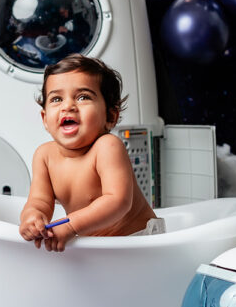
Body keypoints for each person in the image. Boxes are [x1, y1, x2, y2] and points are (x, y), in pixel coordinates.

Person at [19, 54, 164, 252]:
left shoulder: (107, 147)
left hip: (138, 241)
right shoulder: (44, 156)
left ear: (111, 116)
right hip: (95, 246)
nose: (68, 106)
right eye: (56, 99)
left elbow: (118, 201)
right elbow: (39, 200)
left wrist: (70, 225)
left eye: (83, 97)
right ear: (45, 118)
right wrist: (32, 216)